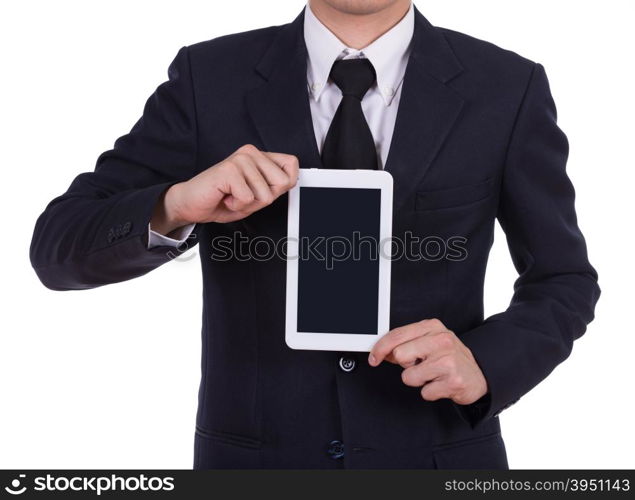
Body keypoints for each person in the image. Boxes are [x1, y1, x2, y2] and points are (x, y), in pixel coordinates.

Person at [30, 0, 600, 469]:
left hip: (439, 458)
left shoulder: (507, 87)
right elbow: (59, 247)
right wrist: (176, 204)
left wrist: (486, 362)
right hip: (252, 463)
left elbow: (564, 278)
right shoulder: (209, 78)